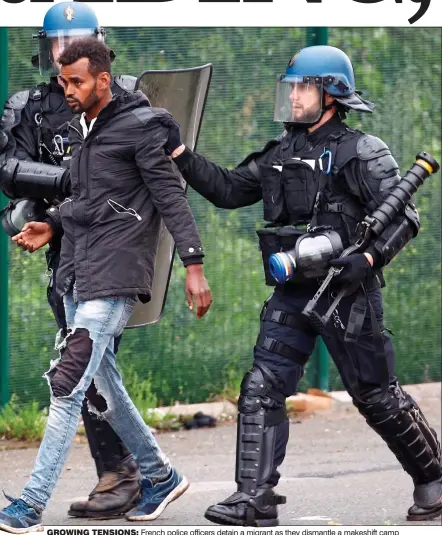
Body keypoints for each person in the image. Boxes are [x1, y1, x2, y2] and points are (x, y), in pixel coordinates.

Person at [159, 45, 442, 526]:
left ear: (331, 93)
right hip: (293, 288)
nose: (292, 96)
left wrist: (369, 257)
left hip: (349, 292)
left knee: (375, 394)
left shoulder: (361, 150)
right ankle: (253, 497)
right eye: (290, 86)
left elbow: (405, 217)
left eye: (303, 86)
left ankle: (434, 480)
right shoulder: (281, 151)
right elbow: (228, 189)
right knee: (261, 386)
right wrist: (179, 152)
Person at [0, 35, 213, 534]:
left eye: (77, 81)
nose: (66, 89)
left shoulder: (141, 127)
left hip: (115, 275)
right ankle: (161, 475)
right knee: (103, 386)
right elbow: (90, 201)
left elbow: (172, 198)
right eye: (63, 80)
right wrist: (54, 224)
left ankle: (29, 504)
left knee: (67, 386)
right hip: (76, 268)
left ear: (103, 80)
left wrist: (194, 265)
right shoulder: (87, 130)